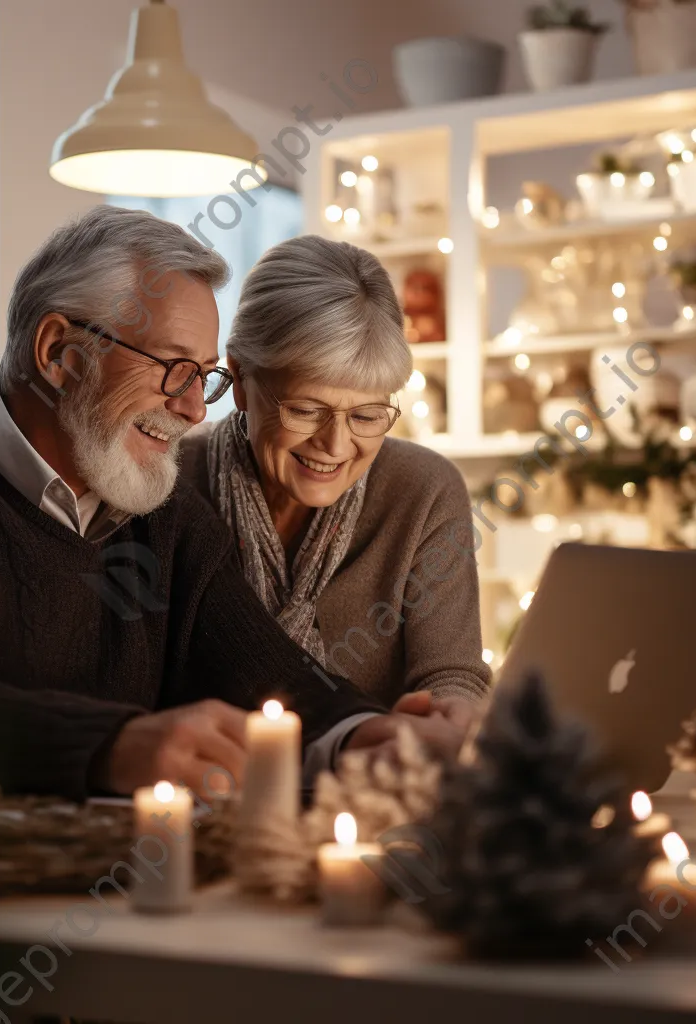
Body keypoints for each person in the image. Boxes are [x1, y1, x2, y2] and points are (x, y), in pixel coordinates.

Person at [0, 207, 415, 803]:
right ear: (58, 353)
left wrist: (371, 735)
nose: (195, 410)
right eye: (175, 369)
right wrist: (113, 745)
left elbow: (268, 675)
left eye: (205, 377)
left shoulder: (165, 515)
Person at [181, 236, 490, 750]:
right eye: (305, 410)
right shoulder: (170, 482)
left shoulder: (423, 491)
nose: (336, 445)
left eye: (368, 415)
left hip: (367, 797)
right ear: (239, 377)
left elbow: (452, 672)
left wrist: (448, 715)